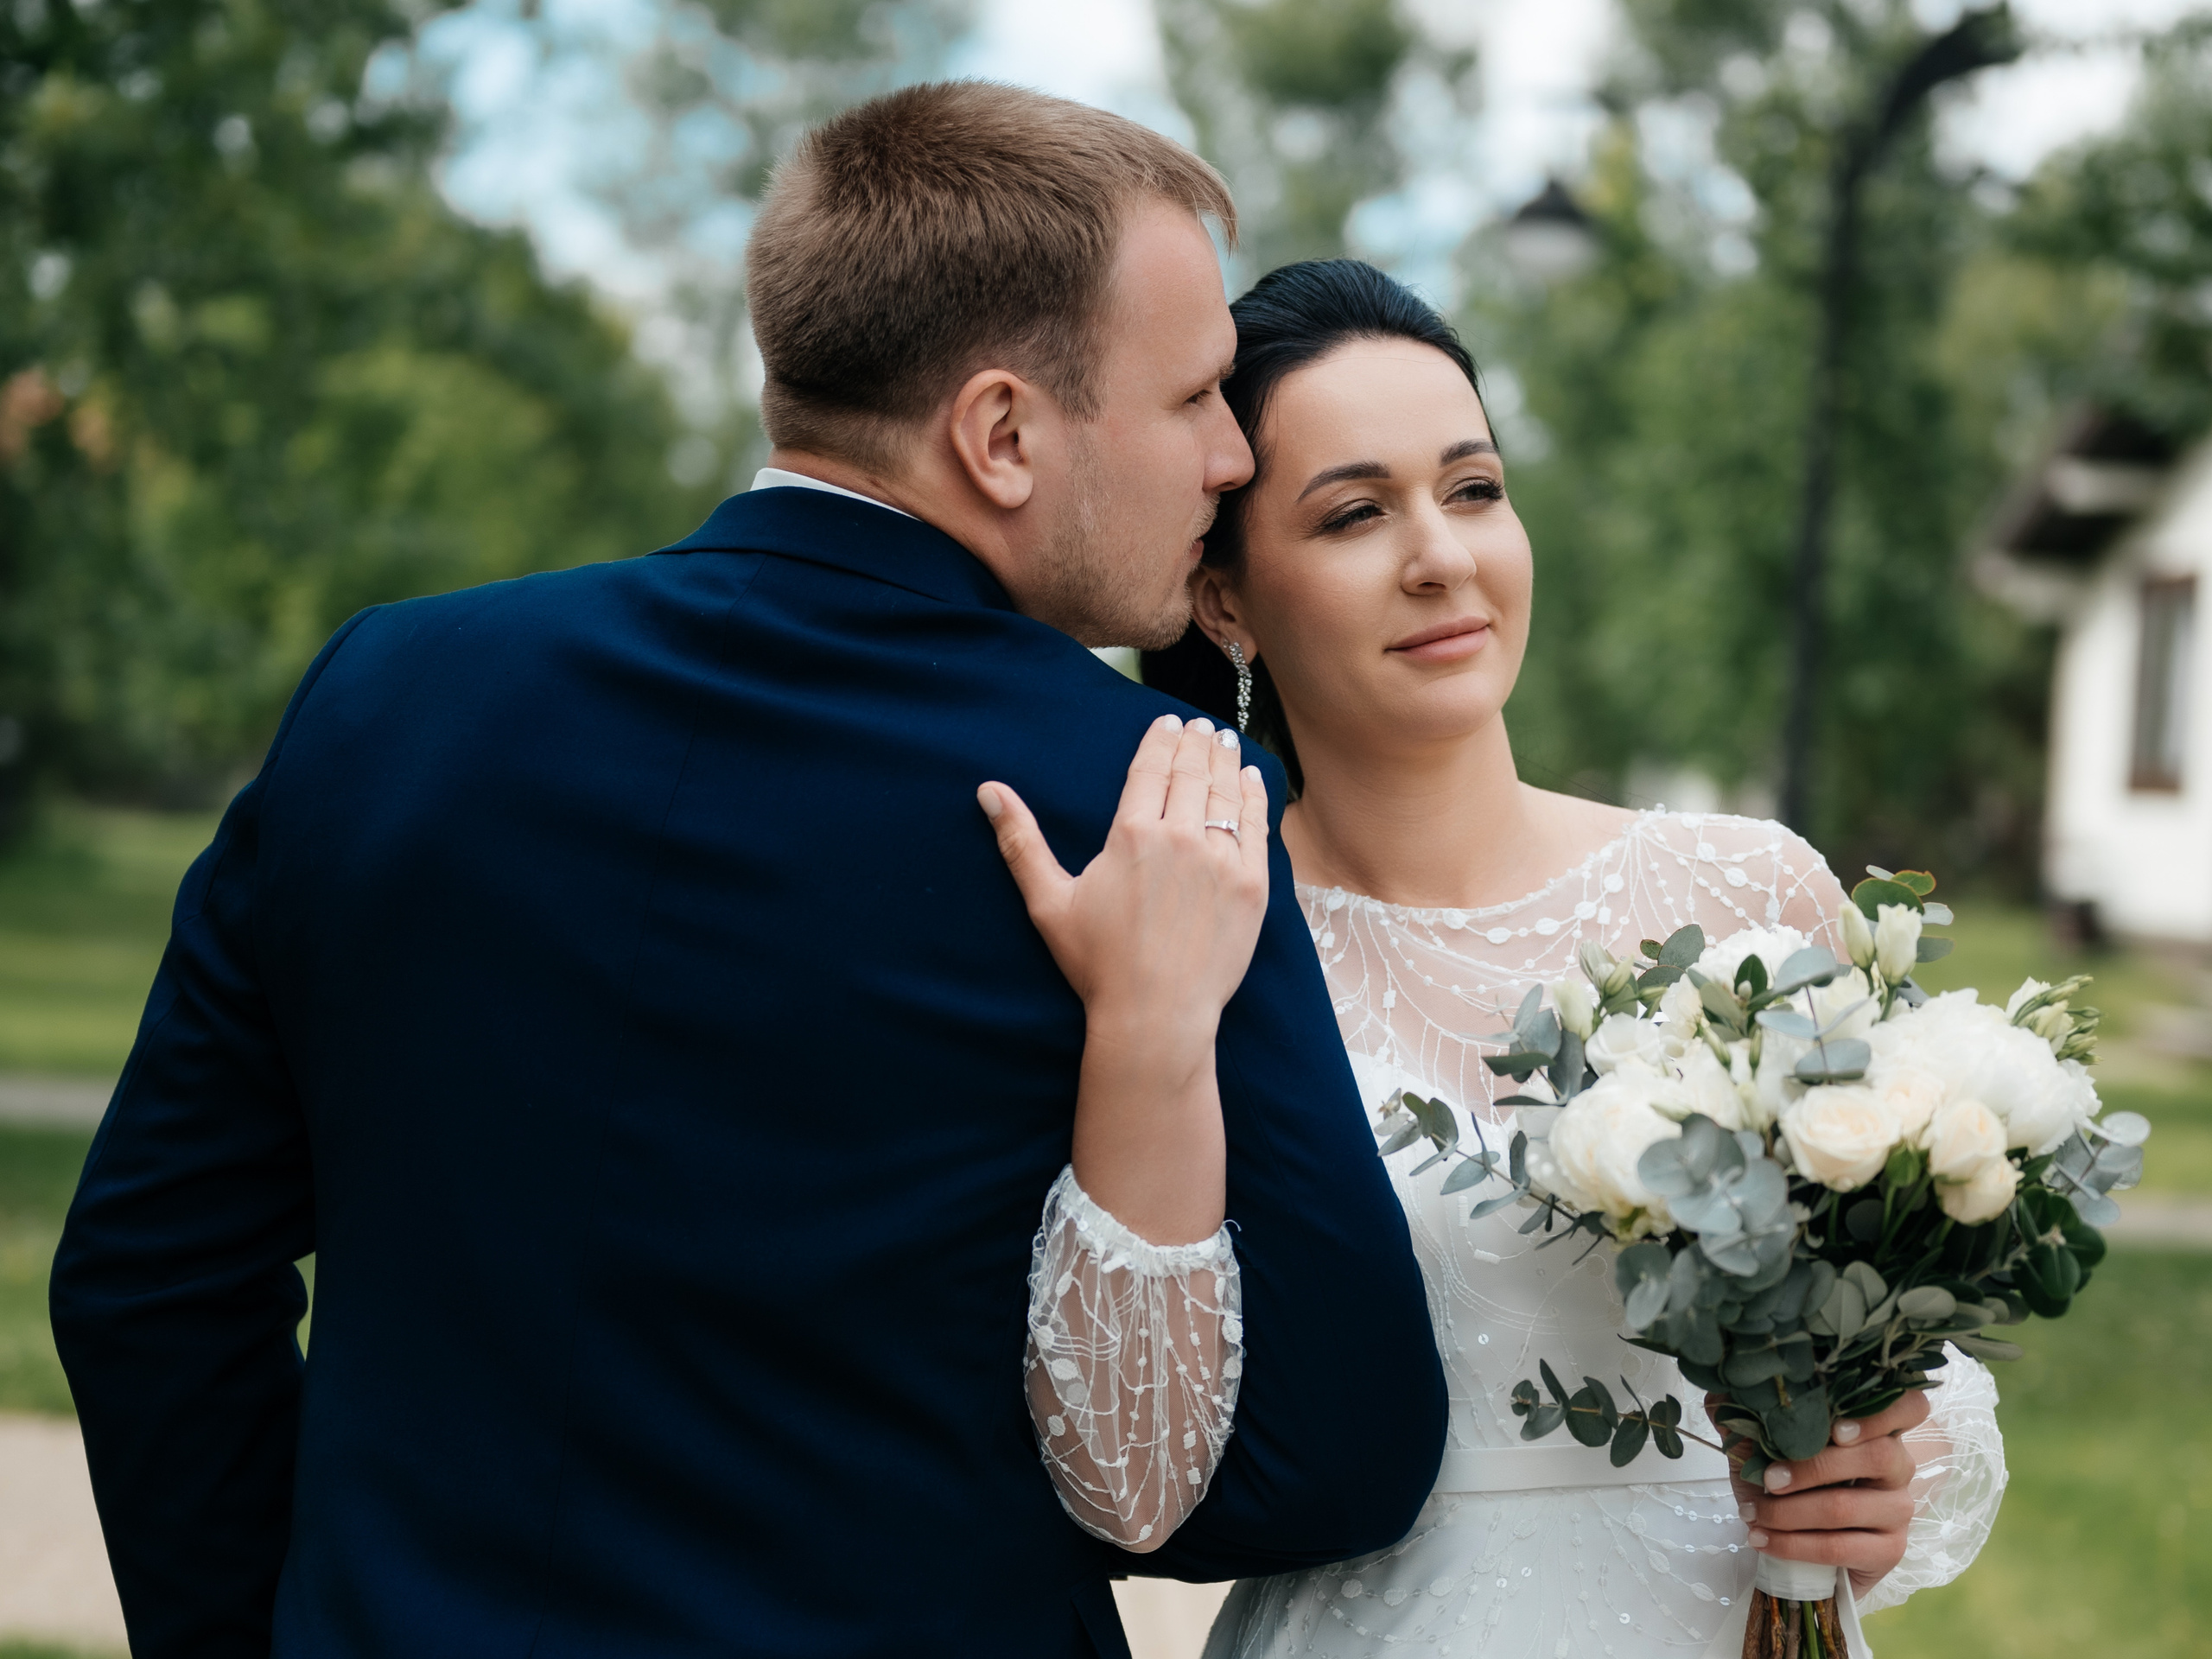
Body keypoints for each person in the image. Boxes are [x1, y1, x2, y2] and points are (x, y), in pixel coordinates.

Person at [48, 91, 1448, 1659]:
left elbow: (148, 1276)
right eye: (1193, 396)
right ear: (1001, 436)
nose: (1231, 455)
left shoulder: (387, 696)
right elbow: (1333, 1451)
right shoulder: (1150, 806)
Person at [1102, 260, 2005, 1656]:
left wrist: (1882, 1471)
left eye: (1473, 489)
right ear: (1226, 602)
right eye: (1354, 513)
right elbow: (1131, 1440)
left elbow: (1909, 1343)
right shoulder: (1203, 929)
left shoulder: (1750, 893)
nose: (1441, 557)